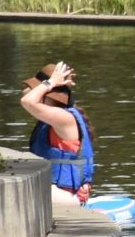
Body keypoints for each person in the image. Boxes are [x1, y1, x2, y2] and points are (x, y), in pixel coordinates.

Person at [20, 61, 94, 203]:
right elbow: (27, 98)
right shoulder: (51, 117)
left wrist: (52, 81)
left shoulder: (65, 118)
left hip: (68, 196)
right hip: (57, 191)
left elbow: (27, 101)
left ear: (48, 93)